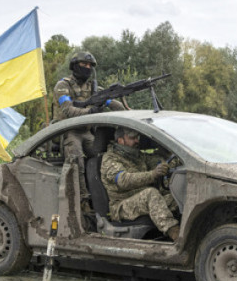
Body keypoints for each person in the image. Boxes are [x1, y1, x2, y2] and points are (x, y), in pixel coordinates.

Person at [52, 51, 125, 218]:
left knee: (107, 156)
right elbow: (69, 110)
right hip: (69, 131)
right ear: (74, 66)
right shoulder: (63, 86)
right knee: (76, 162)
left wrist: (123, 106)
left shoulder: (93, 88)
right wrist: (91, 111)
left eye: (89, 66)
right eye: (83, 65)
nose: (87, 68)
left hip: (87, 132)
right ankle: (83, 202)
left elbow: (114, 104)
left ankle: (109, 197)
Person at [100, 127, 180, 240]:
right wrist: (152, 174)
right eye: (132, 138)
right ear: (120, 140)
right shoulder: (109, 159)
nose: (137, 141)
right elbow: (123, 180)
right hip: (122, 206)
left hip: (142, 199)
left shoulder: (136, 155)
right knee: (150, 194)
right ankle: (176, 235)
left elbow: (158, 162)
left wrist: (170, 161)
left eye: (137, 137)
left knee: (176, 195)